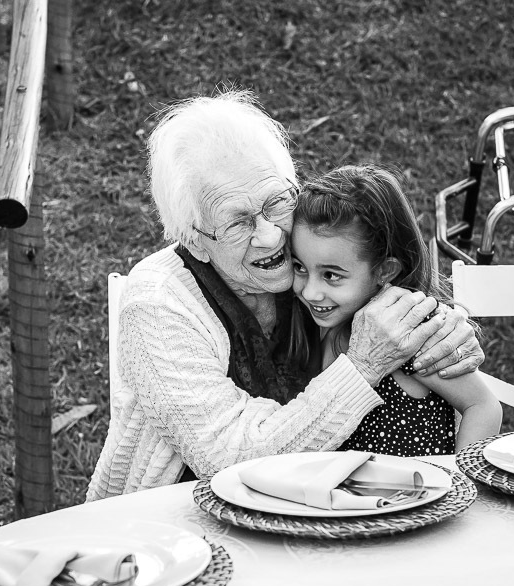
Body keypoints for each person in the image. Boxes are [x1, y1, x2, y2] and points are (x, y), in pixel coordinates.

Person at [85, 90, 485, 501]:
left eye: (276, 202)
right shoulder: (158, 304)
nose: (271, 235)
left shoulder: (310, 259)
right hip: (174, 521)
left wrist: (435, 325)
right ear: (195, 241)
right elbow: (230, 462)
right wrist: (361, 366)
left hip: (320, 513)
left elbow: (374, 270)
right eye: (238, 223)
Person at [288, 164, 502, 454]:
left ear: (384, 271)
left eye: (331, 275)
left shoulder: (405, 329)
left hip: (420, 492)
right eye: (300, 267)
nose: (310, 291)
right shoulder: (318, 321)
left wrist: (460, 481)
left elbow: (483, 406)